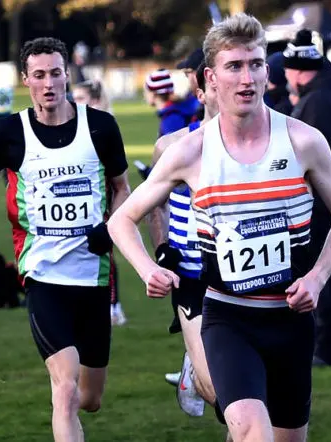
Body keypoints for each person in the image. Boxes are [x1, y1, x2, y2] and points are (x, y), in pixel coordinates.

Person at [107, 13, 331, 442]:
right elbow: (121, 220)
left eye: (256, 64)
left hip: (291, 320)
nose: (247, 78)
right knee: (252, 431)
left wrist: (317, 278)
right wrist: (148, 269)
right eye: (234, 66)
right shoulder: (189, 151)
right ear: (210, 77)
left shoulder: (303, 141)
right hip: (228, 319)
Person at [0, 37, 130, 442]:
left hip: (92, 274)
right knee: (65, 390)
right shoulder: (8, 132)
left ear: (67, 74)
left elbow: (122, 188)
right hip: (42, 273)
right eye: (39, 75)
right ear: (26, 80)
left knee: (90, 398)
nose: (49, 83)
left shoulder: (100, 127)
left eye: (56, 73)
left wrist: (110, 226)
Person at [147, 60, 218, 418]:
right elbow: (151, 204)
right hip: (190, 275)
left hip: (245, 278)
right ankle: (197, 367)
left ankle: (197, 365)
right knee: (221, 392)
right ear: (201, 92)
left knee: (245, 403)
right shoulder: (171, 146)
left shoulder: (266, 145)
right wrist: (162, 249)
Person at [283, 28, 331, 367]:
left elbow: (308, 159)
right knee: (326, 273)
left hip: (320, 205)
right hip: (325, 201)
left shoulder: (318, 102)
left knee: (323, 275)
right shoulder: (323, 97)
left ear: (296, 72)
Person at [71, 79, 127, 327]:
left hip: (102, 200)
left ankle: (113, 307)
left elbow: (117, 176)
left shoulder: (103, 126)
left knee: (105, 253)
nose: (74, 103)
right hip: (83, 201)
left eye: (80, 99)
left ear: (94, 100)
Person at [144, 69, 199, 137]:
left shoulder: (171, 118)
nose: (144, 94)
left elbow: (175, 143)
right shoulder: (176, 111)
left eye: (146, 90)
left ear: (153, 93)